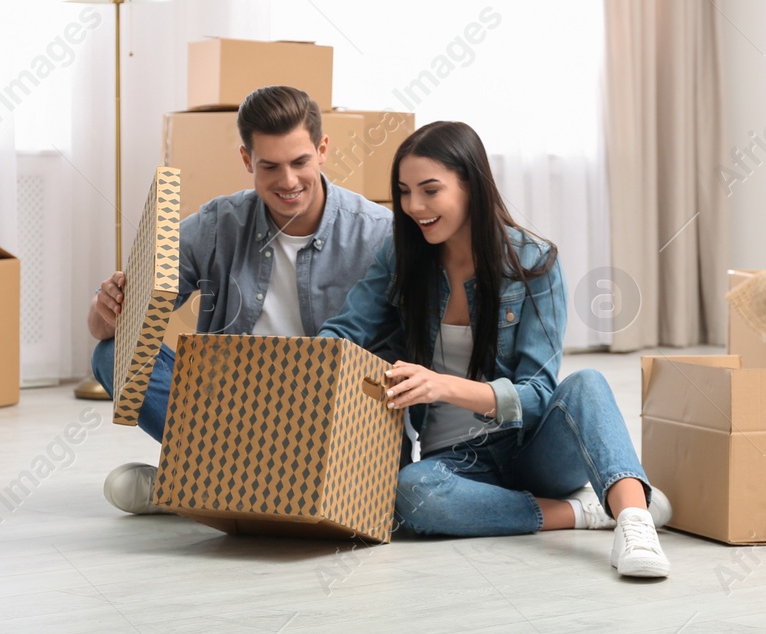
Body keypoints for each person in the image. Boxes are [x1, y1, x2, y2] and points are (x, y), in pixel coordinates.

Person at [318, 120, 672, 578]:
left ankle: (635, 521)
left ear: (472, 185)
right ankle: (583, 512)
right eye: (404, 192)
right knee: (411, 491)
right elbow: (346, 330)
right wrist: (305, 365)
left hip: (531, 450)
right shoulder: (401, 257)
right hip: (455, 463)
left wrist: (444, 386)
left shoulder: (533, 262)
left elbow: (540, 393)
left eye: (430, 190)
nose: (414, 207)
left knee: (587, 383)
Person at [88, 85, 392, 515]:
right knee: (112, 352)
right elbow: (116, 327)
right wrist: (107, 310)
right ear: (247, 160)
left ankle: (196, 484)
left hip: (334, 421)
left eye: (300, 162)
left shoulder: (379, 232)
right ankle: (239, 485)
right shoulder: (217, 224)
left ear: (323, 149)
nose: (288, 182)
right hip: (235, 417)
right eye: (269, 166)